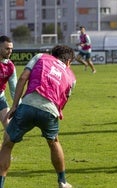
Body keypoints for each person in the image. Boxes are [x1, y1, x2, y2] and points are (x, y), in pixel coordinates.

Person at [0, 45, 76, 188]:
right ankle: (62, 181)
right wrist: (58, 110)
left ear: (53, 54)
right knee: (54, 142)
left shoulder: (41, 57)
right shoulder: (71, 76)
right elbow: (65, 97)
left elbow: (22, 78)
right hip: (50, 110)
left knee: (7, 144)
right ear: (68, 62)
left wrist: (15, 105)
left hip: (28, 105)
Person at [0, 36, 17, 130]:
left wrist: (18, 106)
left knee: (9, 128)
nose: (10, 51)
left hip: (0, 98)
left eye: (11, 48)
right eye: (7, 48)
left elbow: (14, 89)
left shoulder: (10, 66)